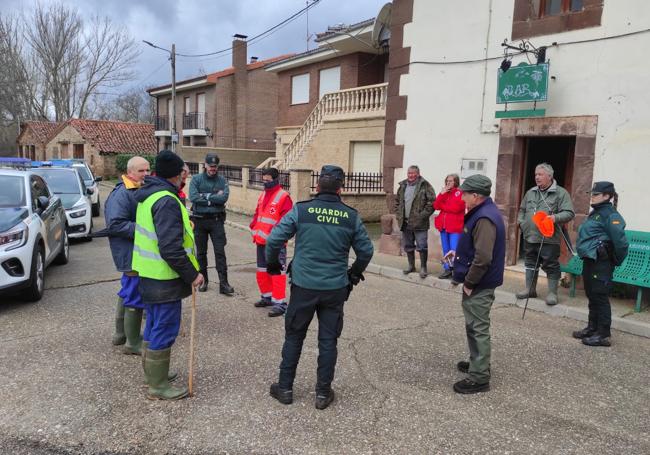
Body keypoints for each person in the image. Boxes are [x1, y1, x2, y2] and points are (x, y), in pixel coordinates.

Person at [266, 165, 374, 410]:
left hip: (304, 285)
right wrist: (353, 275)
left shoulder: (301, 210)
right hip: (335, 287)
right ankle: (322, 394)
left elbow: (274, 239)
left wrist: (274, 265)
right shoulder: (350, 216)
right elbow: (366, 251)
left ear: (317, 186)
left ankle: (285, 388)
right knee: (328, 341)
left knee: (294, 336)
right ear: (341, 189)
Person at [132, 150, 204, 400]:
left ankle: (153, 374)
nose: (186, 176)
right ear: (176, 175)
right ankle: (158, 385)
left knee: (153, 325)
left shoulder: (150, 195)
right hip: (164, 278)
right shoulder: (166, 200)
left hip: (150, 276)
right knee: (164, 327)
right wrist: (192, 274)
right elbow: (171, 248)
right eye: (184, 171)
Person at [444, 174, 505, 394]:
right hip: (480, 280)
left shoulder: (484, 218)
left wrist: (469, 282)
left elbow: (483, 258)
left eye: (465, 194)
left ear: (476, 196)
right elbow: (475, 247)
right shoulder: (482, 213)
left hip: (480, 283)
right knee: (473, 325)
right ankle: (477, 363)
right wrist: (457, 252)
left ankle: (479, 377)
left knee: (478, 327)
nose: (462, 198)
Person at [572, 182, 628, 347]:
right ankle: (592, 328)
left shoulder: (611, 215)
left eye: (595, 194)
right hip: (590, 260)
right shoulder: (596, 213)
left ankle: (603, 334)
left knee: (600, 296)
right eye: (592, 194)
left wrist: (613, 259)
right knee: (592, 295)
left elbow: (622, 244)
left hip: (601, 262)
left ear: (607, 196)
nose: (592, 197)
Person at [105, 156, 150, 353]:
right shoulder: (123, 193)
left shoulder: (134, 189)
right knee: (134, 293)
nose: (146, 174)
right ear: (130, 172)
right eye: (141, 171)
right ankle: (132, 342)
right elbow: (115, 224)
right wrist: (145, 228)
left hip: (132, 251)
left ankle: (121, 334)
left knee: (126, 290)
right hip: (129, 252)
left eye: (148, 170)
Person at [517, 163, 575, 305]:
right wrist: (521, 223)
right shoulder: (530, 192)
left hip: (549, 238)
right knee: (530, 262)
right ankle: (530, 290)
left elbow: (569, 213)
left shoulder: (561, 193)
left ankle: (552, 294)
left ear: (550, 176)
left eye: (540, 174)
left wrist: (555, 218)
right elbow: (522, 209)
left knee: (551, 265)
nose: (537, 177)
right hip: (530, 235)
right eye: (536, 174)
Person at [249, 167, 293, 317]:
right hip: (261, 241)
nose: (265, 183)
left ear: (275, 180)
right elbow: (257, 213)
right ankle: (266, 297)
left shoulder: (283, 197)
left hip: (276, 244)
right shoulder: (263, 195)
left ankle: (280, 304)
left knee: (277, 273)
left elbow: (286, 221)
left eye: (268, 180)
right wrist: (253, 225)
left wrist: (274, 237)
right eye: (264, 180)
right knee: (262, 271)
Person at [188, 153, 234, 295]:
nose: (212, 169)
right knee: (201, 253)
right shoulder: (196, 179)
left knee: (220, 252)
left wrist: (205, 196)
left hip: (216, 221)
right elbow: (193, 197)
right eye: (210, 166)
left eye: (215, 166)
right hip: (199, 220)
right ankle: (204, 281)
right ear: (205, 165)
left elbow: (224, 198)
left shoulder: (221, 180)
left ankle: (224, 284)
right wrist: (213, 198)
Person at [394, 165, 436, 278]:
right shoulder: (402, 186)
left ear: (418, 174)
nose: (411, 175)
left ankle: (423, 268)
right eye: (409, 173)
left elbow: (432, 203)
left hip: (420, 223)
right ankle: (411, 266)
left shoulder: (425, 185)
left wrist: (422, 216)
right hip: (405, 222)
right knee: (408, 245)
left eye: (413, 173)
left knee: (422, 246)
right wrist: (398, 214)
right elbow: (397, 202)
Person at [433, 173, 465, 279]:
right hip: (443, 226)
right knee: (446, 249)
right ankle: (447, 269)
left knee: (454, 250)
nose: (448, 183)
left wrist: (444, 206)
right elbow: (436, 206)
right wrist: (441, 194)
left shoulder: (460, 193)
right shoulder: (444, 192)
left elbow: (456, 208)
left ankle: (457, 271)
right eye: (447, 181)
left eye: (450, 181)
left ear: (455, 182)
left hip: (455, 227)